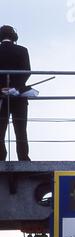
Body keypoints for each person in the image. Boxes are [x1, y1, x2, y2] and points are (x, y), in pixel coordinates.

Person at [0, 25, 31, 161]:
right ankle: (23, 158)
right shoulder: (22, 50)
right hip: (19, 97)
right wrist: (16, 88)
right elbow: (26, 72)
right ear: (14, 37)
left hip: (0, 97)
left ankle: (1, 157)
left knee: (0, 130)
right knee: (20, 129)